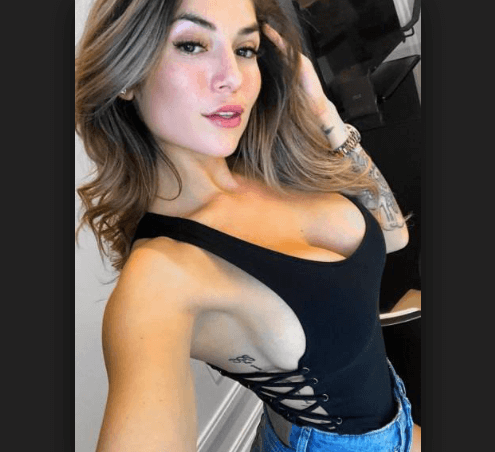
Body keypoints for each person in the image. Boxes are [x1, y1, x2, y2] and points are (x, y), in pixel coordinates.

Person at [75, 0, 421, 451]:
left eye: (245, 49)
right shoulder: (160, 278)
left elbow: (393, 235)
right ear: (127, 74)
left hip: (399, 414)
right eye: (192, 45)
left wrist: (323, 111)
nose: (233, 78)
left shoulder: (268, 165)